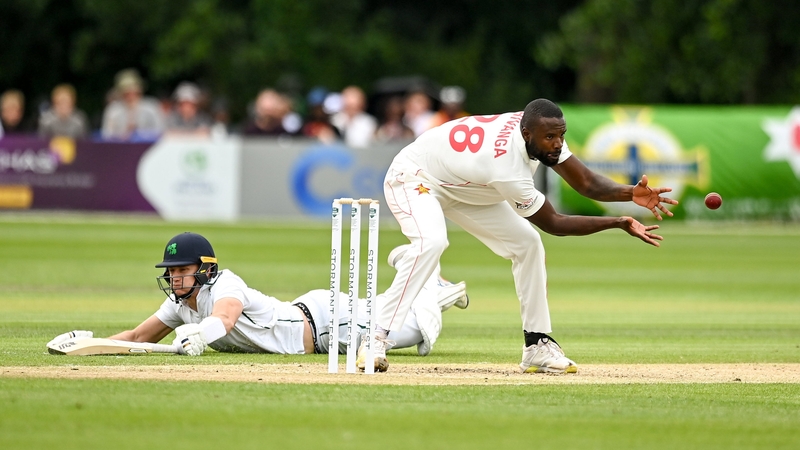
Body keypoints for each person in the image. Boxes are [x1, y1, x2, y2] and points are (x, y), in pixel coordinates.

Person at [356, 98, 678, 374]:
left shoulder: (539, 130)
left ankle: (537, 344)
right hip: (414, 177)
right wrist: (617, 222)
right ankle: (376, 337)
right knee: (433, 242)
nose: (557, 144)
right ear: (527, 134)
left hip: (466, 186)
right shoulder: (507, 169)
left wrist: (630, 193)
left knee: (527, 245)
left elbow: (587, 184)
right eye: (550, 137)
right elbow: (554, 223)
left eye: (561, 136)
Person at [46, 232, 469, 358]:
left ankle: (433, 283)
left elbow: (225, 319)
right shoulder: (180, 304)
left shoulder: (226, 285)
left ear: (204, 269)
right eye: (170, 272)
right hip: (317, 321)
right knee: (389, 308)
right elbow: (139, 339)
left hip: (327, 324)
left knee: (410, 327)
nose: (175, 279)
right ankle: (417, 271)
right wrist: (91, 342)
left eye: (181, 270)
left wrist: (200, 335)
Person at [101, 68, 165, 141]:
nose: (131, 96)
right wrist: (124, 135)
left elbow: (160, 131)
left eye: (133, 92)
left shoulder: (151, 106)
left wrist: (140, 135)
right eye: (127, 93)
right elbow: (106, 135)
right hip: (120, 148)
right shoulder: (113, 110)